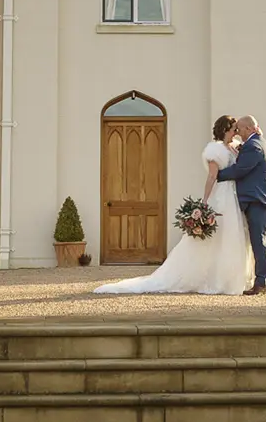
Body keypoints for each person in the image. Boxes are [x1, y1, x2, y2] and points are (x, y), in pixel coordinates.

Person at [94, 115, 254, 296]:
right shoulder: (214, 150)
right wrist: (205, 201)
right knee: (216, 237)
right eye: (233, 128)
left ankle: (229, 278)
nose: (236, 131)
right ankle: (209, 278)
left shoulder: (234, 148)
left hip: (234, 196)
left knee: (232, 235)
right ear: (225, 129)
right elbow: (211, 177)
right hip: (222, 196)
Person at [214, 112, 266, 294]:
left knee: (259, 241)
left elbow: (240, 169)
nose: (238, 132)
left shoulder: (254, 145)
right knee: (264, 241)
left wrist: (217, 175)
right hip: (263, 198)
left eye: (240, 129)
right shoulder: (257, 142)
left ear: (250, 128)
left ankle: (261, 283)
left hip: (258, 199)